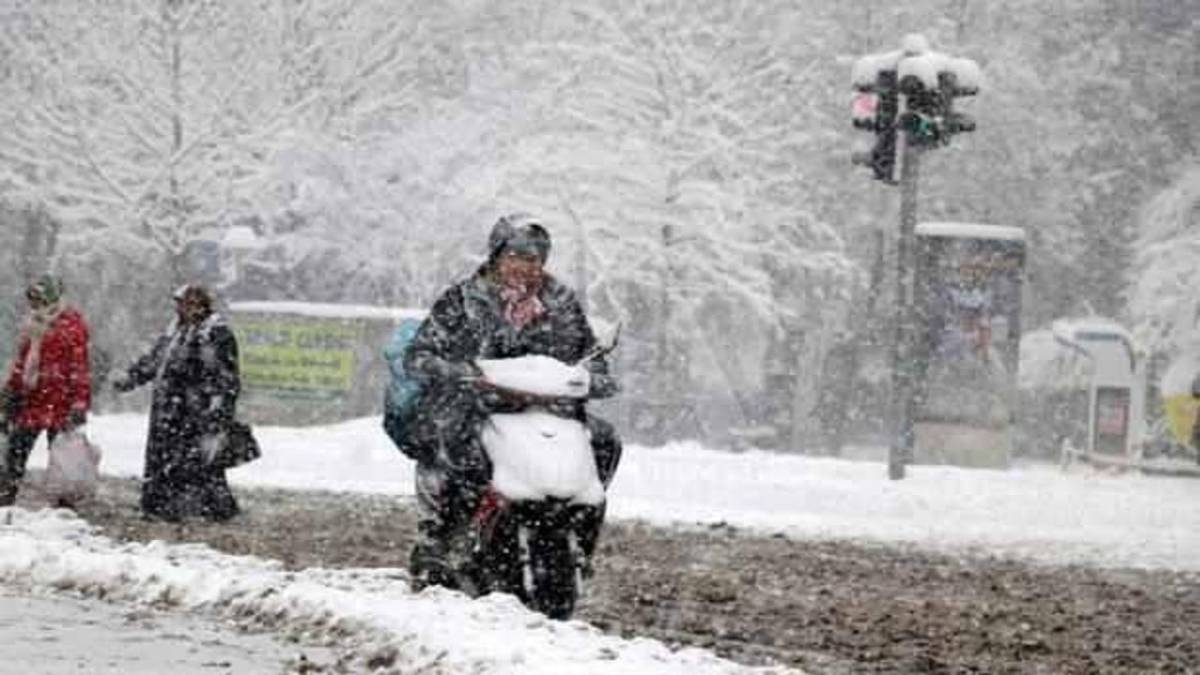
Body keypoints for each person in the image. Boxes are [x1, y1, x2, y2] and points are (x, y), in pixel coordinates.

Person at [404, 213, 622, 590]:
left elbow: (590, 355)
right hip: (478, 406)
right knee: (454, 443)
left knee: (604, 441)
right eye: (516, 256)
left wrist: (596, 377)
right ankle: (443, 536)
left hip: (550, 412)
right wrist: (457, 372)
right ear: (496, 256)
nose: (525, 266)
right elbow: (420, 354)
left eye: (534, 258)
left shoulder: (561, 302)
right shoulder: (463, 299)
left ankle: (582, 534)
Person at [112, 284, 240, 522]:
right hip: (168, 407)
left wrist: (217, 409)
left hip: (193, 410)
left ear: (200, 307)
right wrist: (131, 378)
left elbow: (225, 377)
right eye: (179, 304)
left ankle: (204, 508)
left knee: (196, 462)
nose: (180, 309)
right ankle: (158, 505)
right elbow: (155, 361)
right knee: (162, 458)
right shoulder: (176, 332)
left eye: (185, 304)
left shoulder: (214, 334)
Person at [0, 274, 92, 506]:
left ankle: (64, 502)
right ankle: (5, 494)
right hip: (31, 401)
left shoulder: (71, 325)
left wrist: (79, 402)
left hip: (60, 401)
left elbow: (79, 367)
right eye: (32, 299)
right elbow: (22, 363)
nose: (34, 305)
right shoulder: (34, 324)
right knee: (15, 450)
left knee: (61, 456)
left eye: (39, 299)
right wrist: (10, 390)